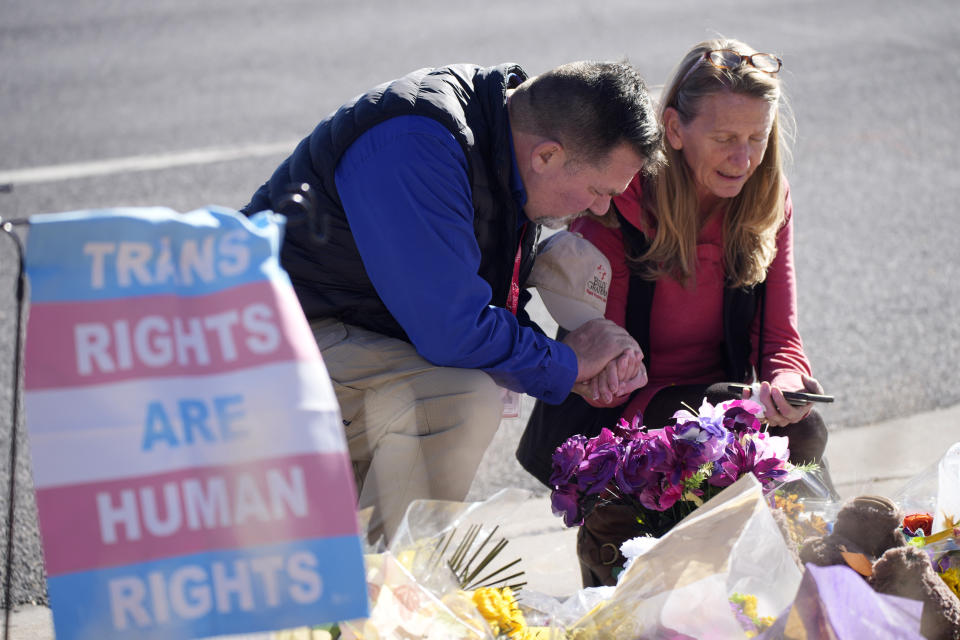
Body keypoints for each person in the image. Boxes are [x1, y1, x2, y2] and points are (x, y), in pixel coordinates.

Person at [240, 61, 662, 543]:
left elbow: (474, 301)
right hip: (252, 340)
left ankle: (349, 579)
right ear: (547, 155)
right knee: (457, 399)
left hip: (328, 330)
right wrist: (566, 362)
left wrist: (575, 370)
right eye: (597, 190)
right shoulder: (417, 146)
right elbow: (452, 329)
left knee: (454, 390)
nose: (601, 208)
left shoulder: (501, 144)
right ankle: (381, 593)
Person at [517, 38, 839, 586]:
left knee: (803, 430)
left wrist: (786, 381)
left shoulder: (766, 198)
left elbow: (780, 335)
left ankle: (820, 586)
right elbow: (607, 374)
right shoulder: (616, 202)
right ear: (673, 130)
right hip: (627, 414)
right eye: (724, 139)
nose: (744, 159)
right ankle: (620, 580)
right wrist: (617, 369)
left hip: (724, 401)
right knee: (744, 423)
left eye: (757, 139)